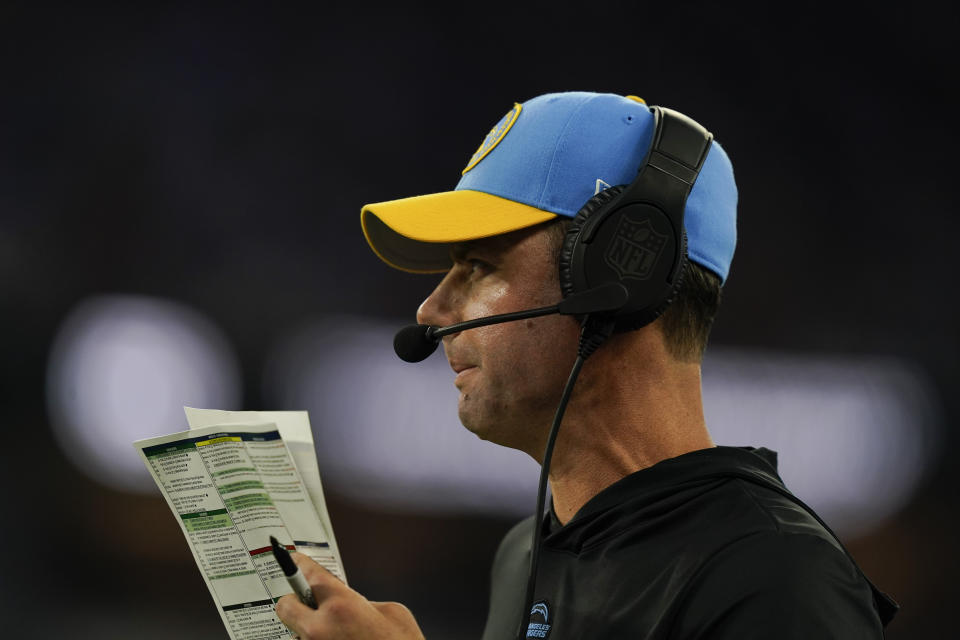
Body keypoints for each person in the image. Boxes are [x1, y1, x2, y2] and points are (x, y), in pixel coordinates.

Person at [276, 91, 897, 639]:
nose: (432, 307)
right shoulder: (526, 555)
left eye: (480, 266)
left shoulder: (773, 576)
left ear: (622, 274)